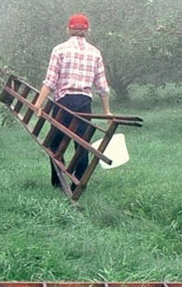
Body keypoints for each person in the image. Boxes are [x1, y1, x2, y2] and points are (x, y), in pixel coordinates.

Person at [32, 13, 112, 189]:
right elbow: (102, 86)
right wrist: (107, 111)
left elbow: (50, 82)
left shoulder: (59, 50)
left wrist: (38, 104)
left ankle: (58, 183)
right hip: (84, 104)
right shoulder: (95, 53)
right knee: (82, 145)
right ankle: (78, 184)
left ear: (68, 29)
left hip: (63, 103)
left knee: (54, 143)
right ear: (87, 31)